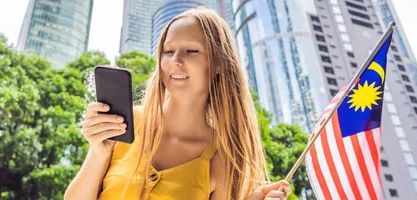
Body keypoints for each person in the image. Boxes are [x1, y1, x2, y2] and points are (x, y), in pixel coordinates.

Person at [64, 7, 291, 200]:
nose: (175, 61)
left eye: (191, 51)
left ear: (220, 64)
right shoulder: (125, 123)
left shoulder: (222, 158)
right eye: (168, 51)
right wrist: (97, 154)